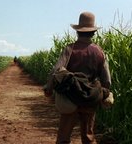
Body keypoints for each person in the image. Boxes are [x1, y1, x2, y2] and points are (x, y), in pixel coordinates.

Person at [44, 11, 111, 144]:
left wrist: (49, 87)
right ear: (93, 33)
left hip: (70, 97)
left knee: (64, 137)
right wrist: (103, 94)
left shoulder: (69, 49)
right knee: (88, 137)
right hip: (90, 98)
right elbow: (107, 79)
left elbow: (57, 70)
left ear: (78, 31)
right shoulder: (99, 52)